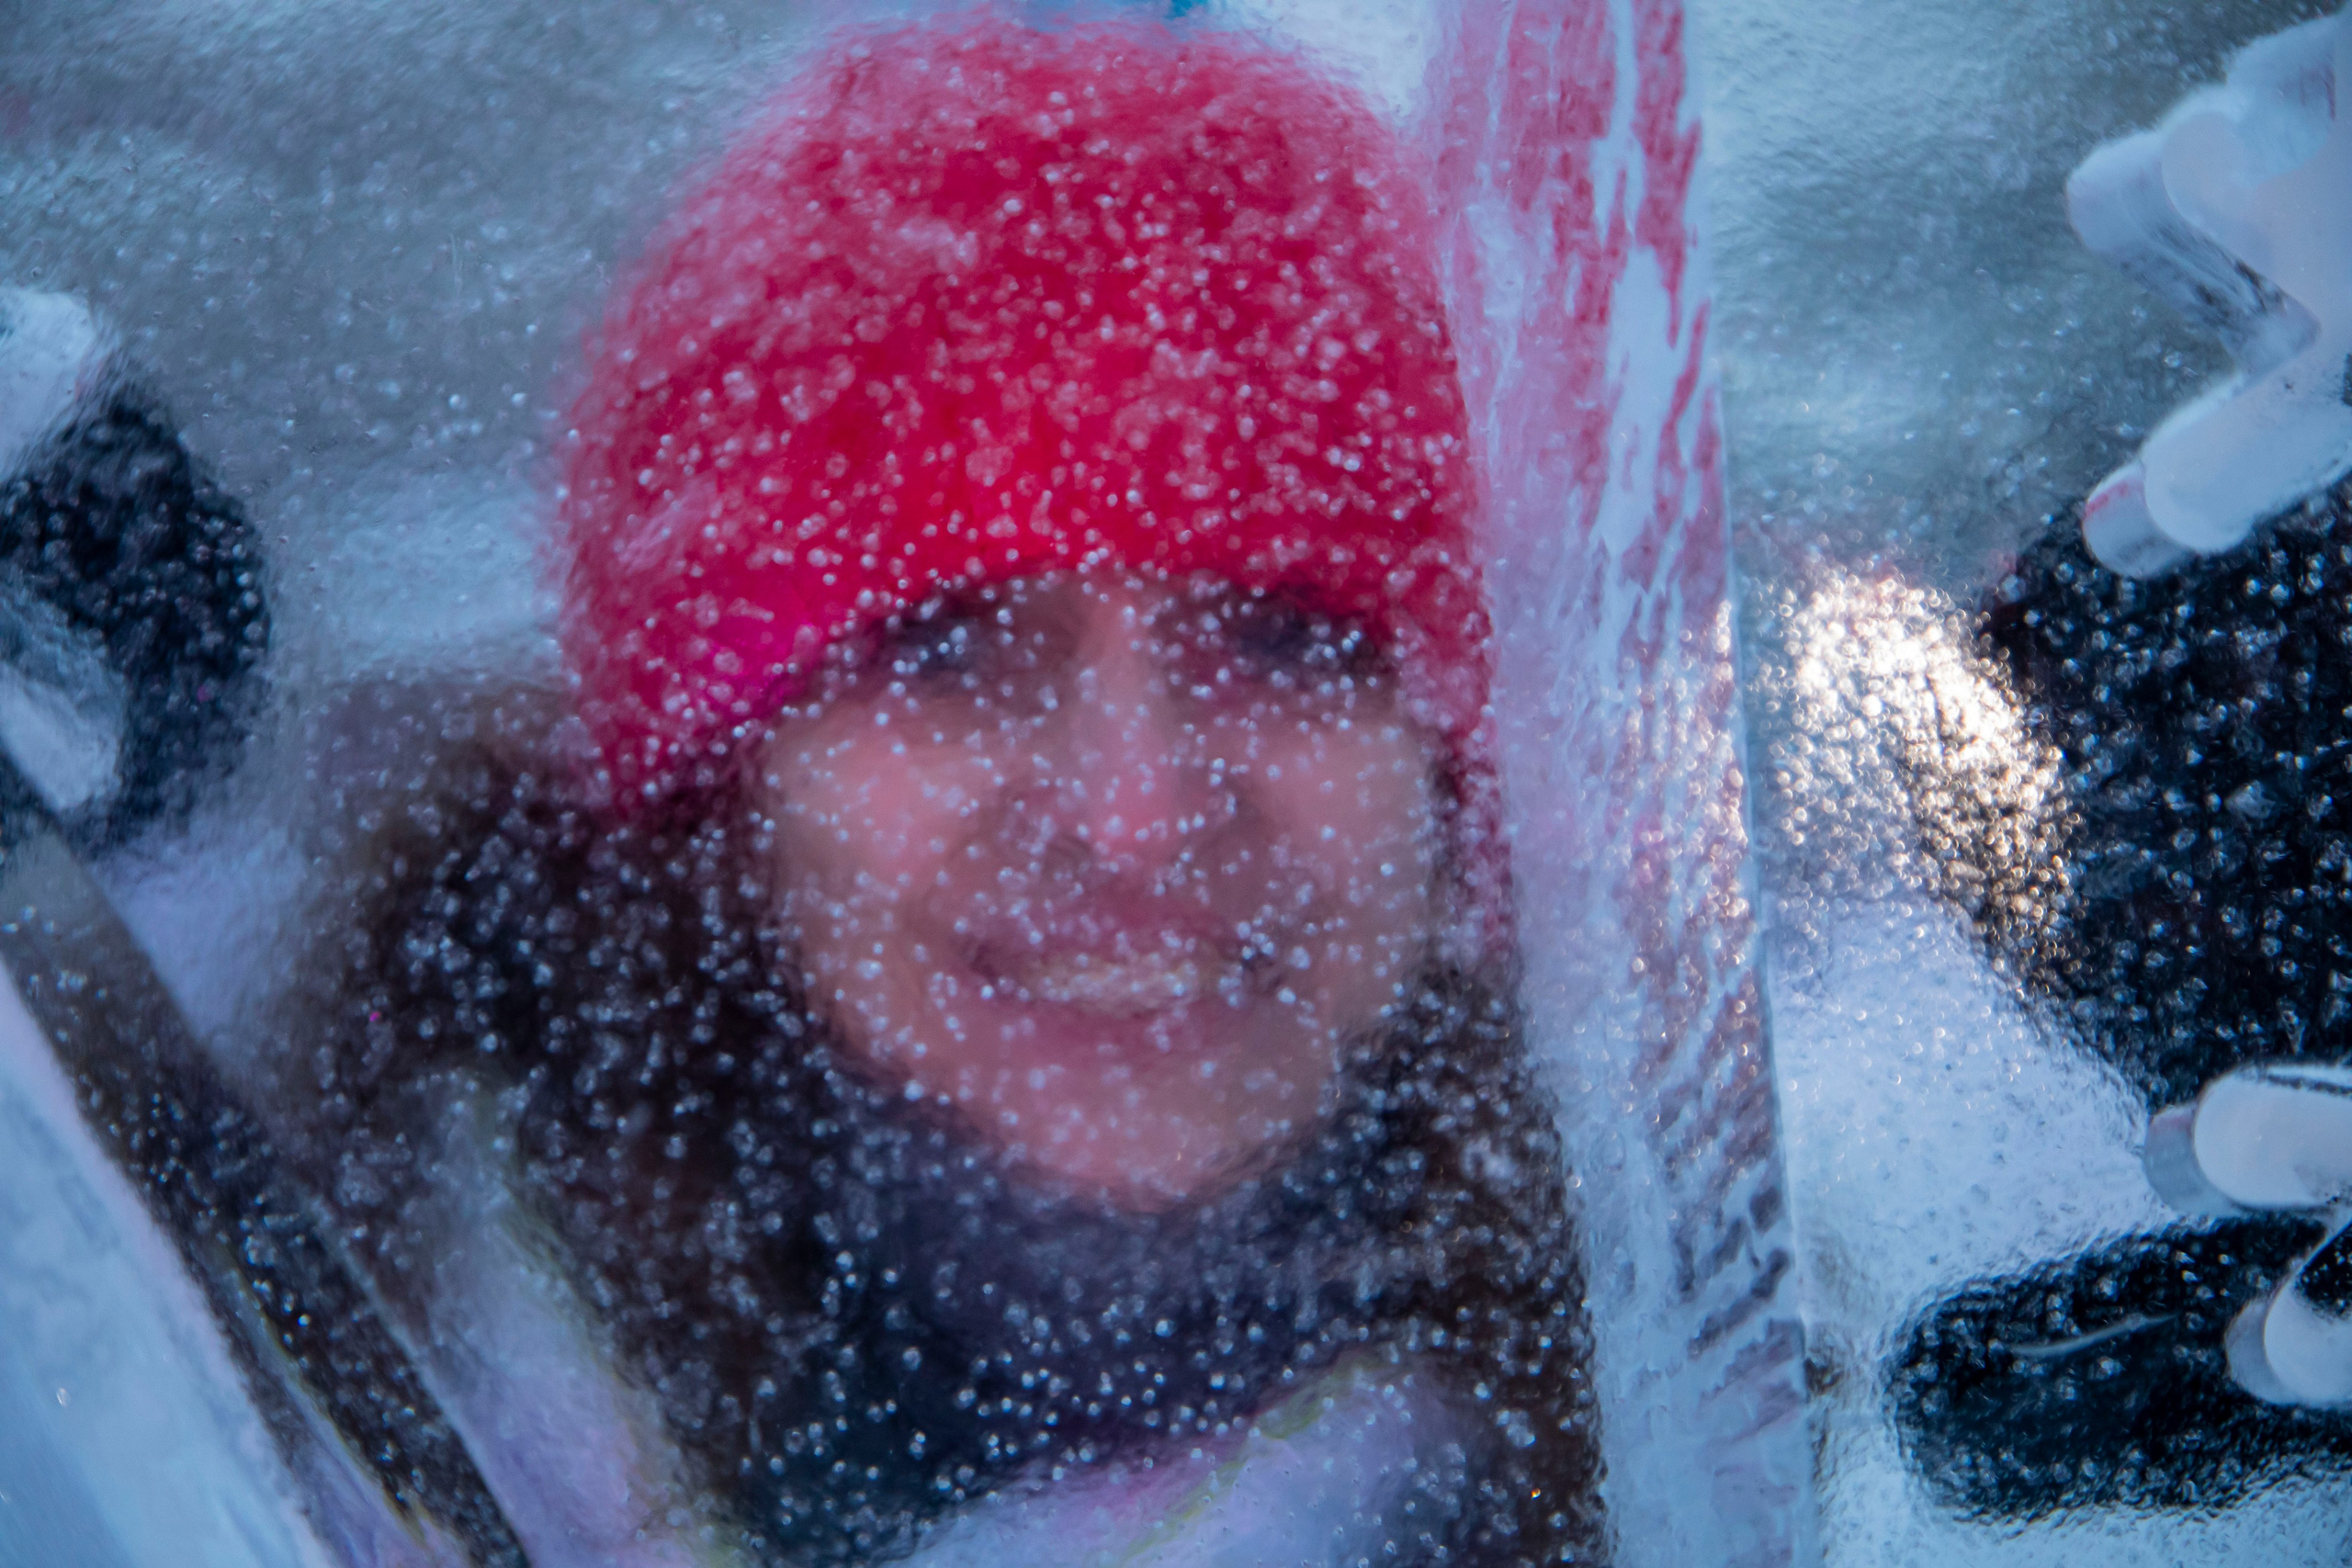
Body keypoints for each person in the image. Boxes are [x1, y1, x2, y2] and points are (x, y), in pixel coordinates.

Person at [276, 16, 1603, 1566]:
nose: (1136, 813)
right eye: (951, 650)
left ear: (1452, 768)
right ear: (725, 784)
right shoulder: (252, 1404)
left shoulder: (1748, 1427)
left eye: (1282, 638)